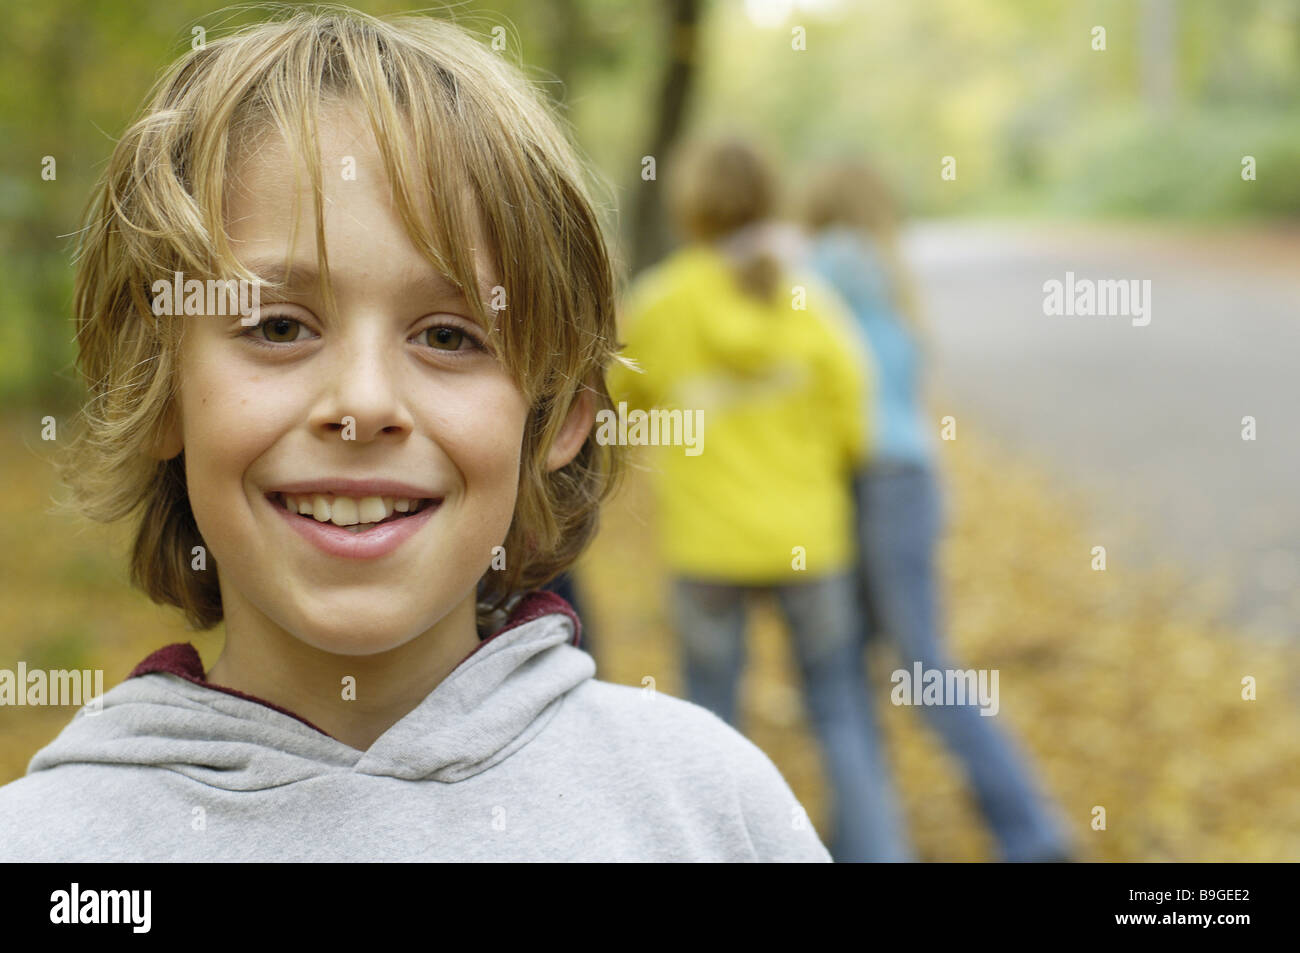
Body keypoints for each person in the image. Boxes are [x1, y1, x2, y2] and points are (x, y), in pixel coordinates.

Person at [0, 8, 831, 862]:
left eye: (447, 336)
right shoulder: (46, 847)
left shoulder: (709, 810)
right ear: (159, 388)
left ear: (557, 417)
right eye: (279, 328)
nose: (362, 404)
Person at [608, 136, 912, 862]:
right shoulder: (808, 297)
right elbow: (854, 412)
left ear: (691, 207)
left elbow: (617, 406)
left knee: (710, 717)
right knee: (839, 707)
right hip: (811, 541)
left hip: (708, 549)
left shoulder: (661, 301)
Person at [800, 158, 1074, 862]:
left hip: (877, 479)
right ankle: (865, 837)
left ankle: (1031, 830)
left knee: (917, 662)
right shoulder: (885, 273)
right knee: (864, 663)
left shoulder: (834, 262)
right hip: (904, 479)